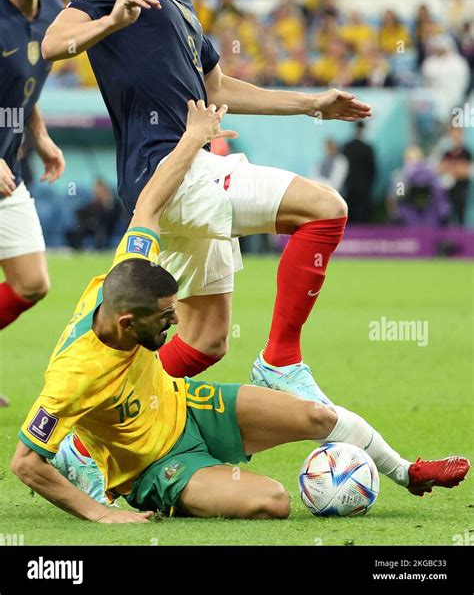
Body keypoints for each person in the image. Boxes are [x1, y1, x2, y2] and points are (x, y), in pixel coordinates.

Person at [11, 102, 470, 521]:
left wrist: (194, 137)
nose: (175, 322)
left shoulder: (127, 273)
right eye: (165, 317)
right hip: (160, 464)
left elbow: (148, 203)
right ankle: (106, 464)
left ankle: (407, 473)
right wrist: (101, 514)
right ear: (128, 323)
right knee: (274, 502)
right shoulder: (73, 376)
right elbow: (25, 463)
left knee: (316, 417)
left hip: (190, 406)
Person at [41, 0, 371, 405]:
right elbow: (54, 43)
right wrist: (112, 15)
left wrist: (312, 104)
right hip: (168, 168)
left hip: (192, 164)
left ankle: (95, 430)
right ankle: (281, 360)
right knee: (325, 208)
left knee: (207, 339)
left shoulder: (182, 6)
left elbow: (219, 89)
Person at [0, 0, 65, 405]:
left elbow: (27, 83)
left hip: (10, 171)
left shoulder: (52, 14)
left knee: (32, 282)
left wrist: (39, 134)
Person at [66, 179, 125, 250]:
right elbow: (84, 211)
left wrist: (107, 202)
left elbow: (113, 216)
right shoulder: (94, 203)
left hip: (108, 228)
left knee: (100, 231)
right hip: (94, 226)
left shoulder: (113, 203)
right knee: (79, 230)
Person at [342, 121, 376, 223]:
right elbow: (373, 170)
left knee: (350, 214)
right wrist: (369, 184)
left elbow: (342, 167)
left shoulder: (347, 147)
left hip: (350, 186)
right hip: (364, 187)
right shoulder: (368, 148)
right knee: (362, 216)